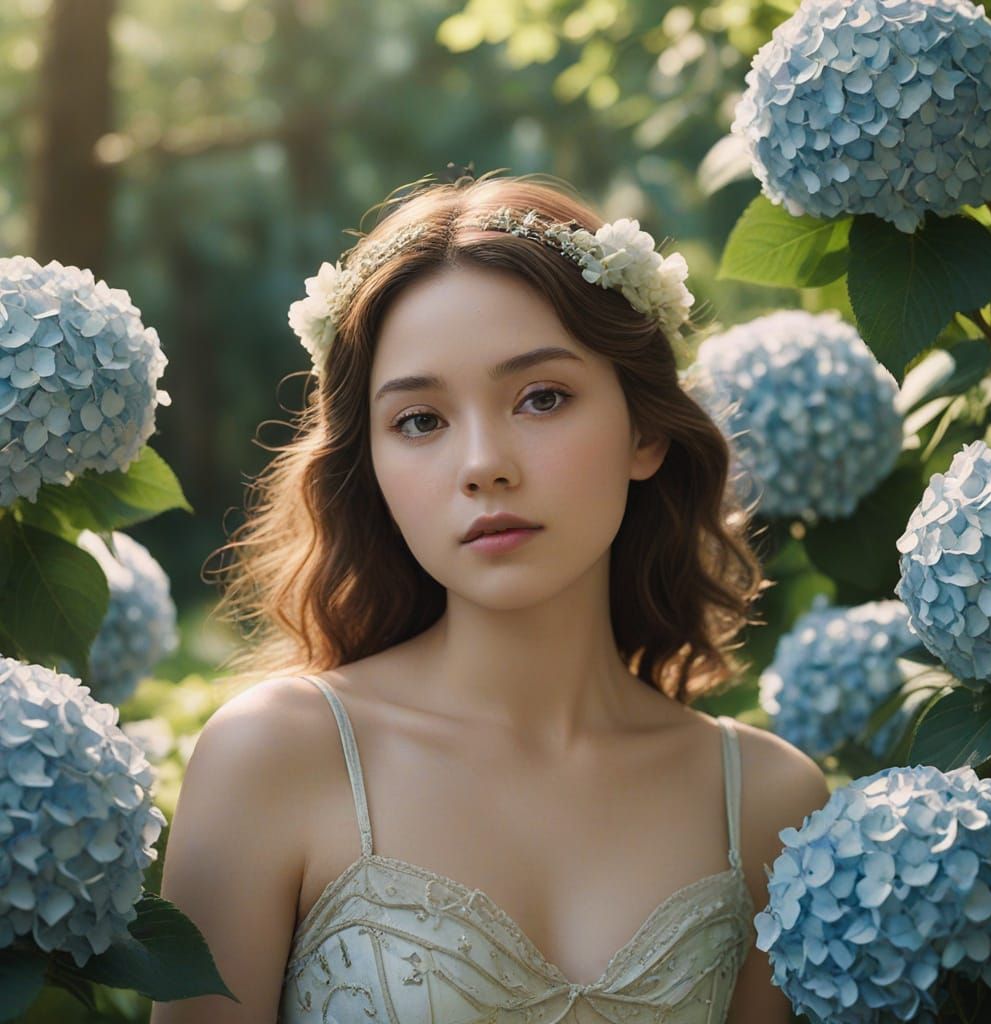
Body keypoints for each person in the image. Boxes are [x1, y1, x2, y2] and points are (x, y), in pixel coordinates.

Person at [150, 170, 831, 1024]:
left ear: (646, 430)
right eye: (420, 421)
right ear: (374, 469)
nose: (483, 463)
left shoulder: (766, 802)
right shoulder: (277, 759)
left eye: (542, 397)